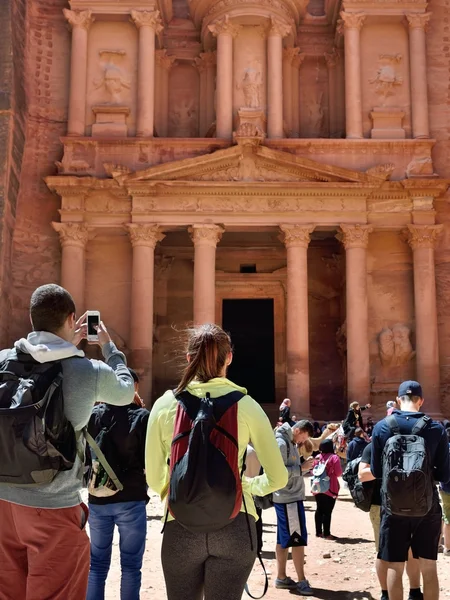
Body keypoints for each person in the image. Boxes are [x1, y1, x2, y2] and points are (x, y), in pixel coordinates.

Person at [0, 284, 135, 600]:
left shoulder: (4, 359)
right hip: (52, 506)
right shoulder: (86, 370)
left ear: (32, 319)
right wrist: (109, 346)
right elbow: (126, 390)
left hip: (3, 503)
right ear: (73, 318)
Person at [145, 324, 288, 600]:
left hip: (180, 523)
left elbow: (153, 480)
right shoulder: (247, 406)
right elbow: (278, 478)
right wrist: (245, 485)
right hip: (235, 523)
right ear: (229, 358)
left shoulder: (164, 406)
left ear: (189, 359)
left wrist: (180, 488)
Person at [371, 381, 450, 600]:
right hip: (427, 506)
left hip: (393, 506)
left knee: (395, 565)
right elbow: (444, 475)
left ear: (398, 400)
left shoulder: (382, 427)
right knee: (428, 567)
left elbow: (377, 472)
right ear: (421, 401)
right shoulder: (436, 429)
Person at [87, 369, 150, 600]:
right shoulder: (142, 416)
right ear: (132, 386)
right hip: (131, 498)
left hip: (98, 497)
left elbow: (85, 456)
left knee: (96, 565)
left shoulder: (93, 414)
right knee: (131, 567)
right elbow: (148, 461)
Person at [359, 442, 423, 600]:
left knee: (411, 549)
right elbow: (362, 474)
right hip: (380, 505)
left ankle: (415, 591)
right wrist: (388, 469)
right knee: (384, 552)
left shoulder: (411, 444)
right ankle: (386, 593)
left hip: (409, 504)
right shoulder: (374, 446)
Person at [273, 419, 315, 596]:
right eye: (303, 437)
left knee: (282, 540)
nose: (303, 441)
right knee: (297, 540)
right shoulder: (282, 442)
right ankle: (301, 580)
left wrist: (303, 468)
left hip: (286, 497)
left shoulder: (287, 440)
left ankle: (281, 577)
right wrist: (301, 468)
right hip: (289, 498)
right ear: (297, 430)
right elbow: (279, 472)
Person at [313, 438, 342, 540]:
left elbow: (313, 471)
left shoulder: (317, 457)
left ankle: (318, 532)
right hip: (330, 487)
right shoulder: (334, 458)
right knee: (327, 511)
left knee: (319, 509)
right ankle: (327, 533)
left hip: (317, 486)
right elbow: (338, 473)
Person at [439, 424, 450, 556]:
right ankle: (447, 547)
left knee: (444, 516)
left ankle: (443, 546)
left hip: (445, 487)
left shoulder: (443, 450)